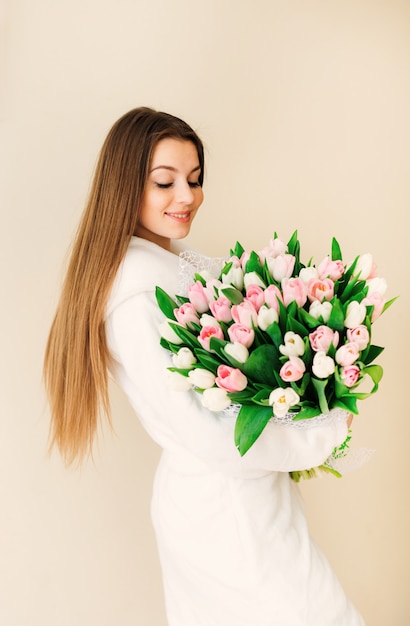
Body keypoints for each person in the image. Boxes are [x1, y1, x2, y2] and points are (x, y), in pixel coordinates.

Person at [44, 107, 365, 625]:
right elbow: (210, 431)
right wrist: (320, 432)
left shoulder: (172, 266)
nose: (187, 197)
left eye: (194, 180)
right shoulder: (137, 294)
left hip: (231, 496)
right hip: (225, 505)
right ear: (125, 185)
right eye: (165, 182)